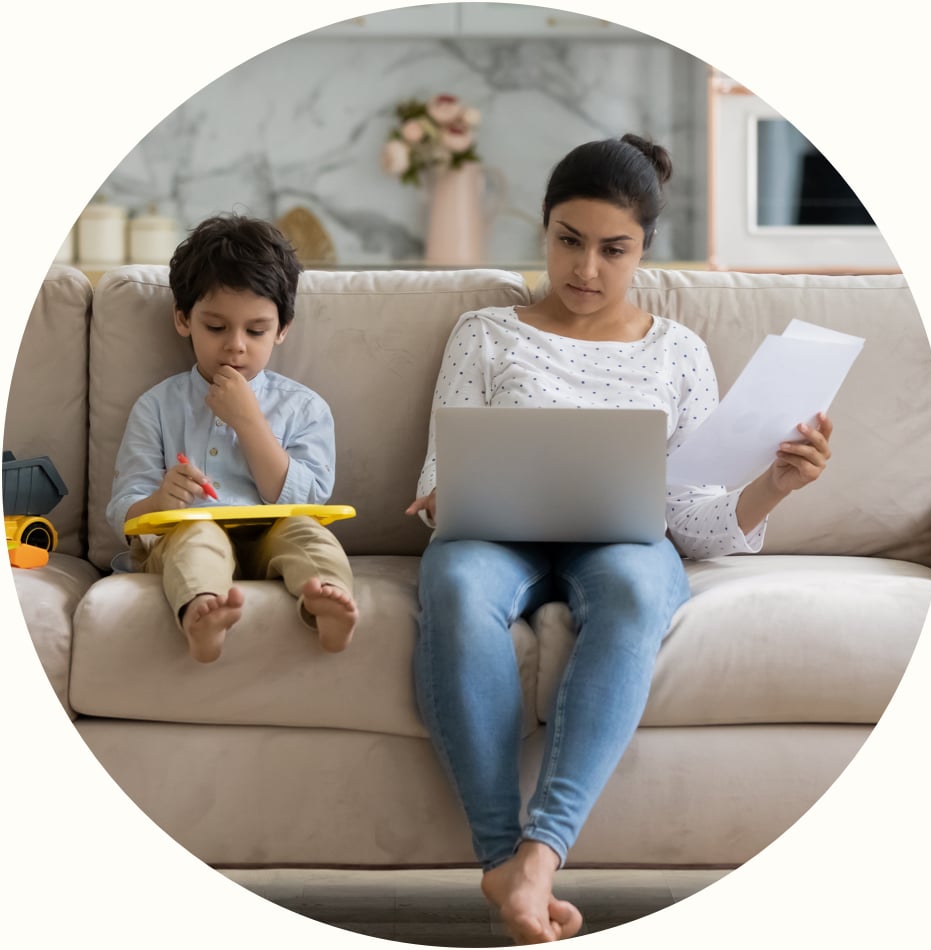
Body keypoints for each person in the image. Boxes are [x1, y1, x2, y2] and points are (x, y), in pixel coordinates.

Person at [406, 133, 832, 943]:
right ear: (542, 229)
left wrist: (773, 484)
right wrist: (438, 497)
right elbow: (438, 471)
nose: (586, 270)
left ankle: (541, 854)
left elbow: (696, 517)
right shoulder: (484, 334)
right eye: (569, 241)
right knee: (457, 585)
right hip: (495, 537)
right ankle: (500, 857)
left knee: (638, 588)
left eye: (613, 249)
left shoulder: (678, 352)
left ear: (644, 249)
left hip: (625, 542)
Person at [106, 214, 358, 663]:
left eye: (256, 331)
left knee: (305, 533)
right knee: (198, 534)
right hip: (188, 531)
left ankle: (326, 601)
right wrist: (161, 499)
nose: (236, 345)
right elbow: (125, 512)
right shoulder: (156, 406)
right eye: (216, 328)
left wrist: (250, 422)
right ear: (183, 320)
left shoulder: (304, 408)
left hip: (272, 532)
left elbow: (312, 497)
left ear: (282, 329)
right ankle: (202, 612)